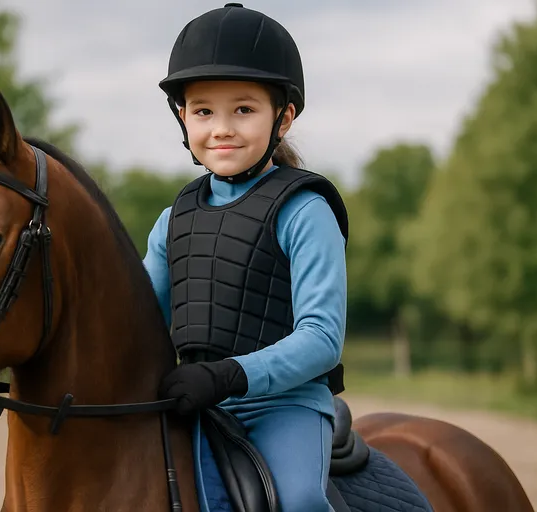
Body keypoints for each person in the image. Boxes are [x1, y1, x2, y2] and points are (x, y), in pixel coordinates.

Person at [142, 3, 349, 511]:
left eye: (244, 109)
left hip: (285, 406)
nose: (222, 128)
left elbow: (322, 337)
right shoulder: (174, 220)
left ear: (284, 116)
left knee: (298, 501)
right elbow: (139, 323)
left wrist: (227, 374)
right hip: (193, 405)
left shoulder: (305, 210)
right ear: (183, 117)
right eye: (203, 111)